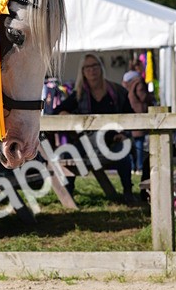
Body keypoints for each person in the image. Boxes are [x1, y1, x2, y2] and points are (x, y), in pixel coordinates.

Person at [55, 52, 135, 199]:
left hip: (112, 142)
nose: (92, 70)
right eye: (87, 67)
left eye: (95, 65)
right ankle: (68, 194)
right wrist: (67, 116)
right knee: (69, 153)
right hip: (86, 143)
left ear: (101, 67)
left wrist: (123, 134)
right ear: (83, 71)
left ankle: (128, 192)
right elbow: (57, 111)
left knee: (124, 151)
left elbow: (131, 116)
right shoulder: (78, 95)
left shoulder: (117, 92)